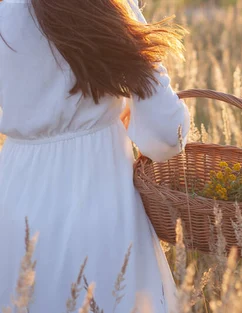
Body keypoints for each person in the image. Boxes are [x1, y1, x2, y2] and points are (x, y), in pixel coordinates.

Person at [0, 0, 190, 311]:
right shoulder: (110, 8)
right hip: (100, 194)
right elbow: (169, 132)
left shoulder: (4, 14)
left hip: (14, 196)